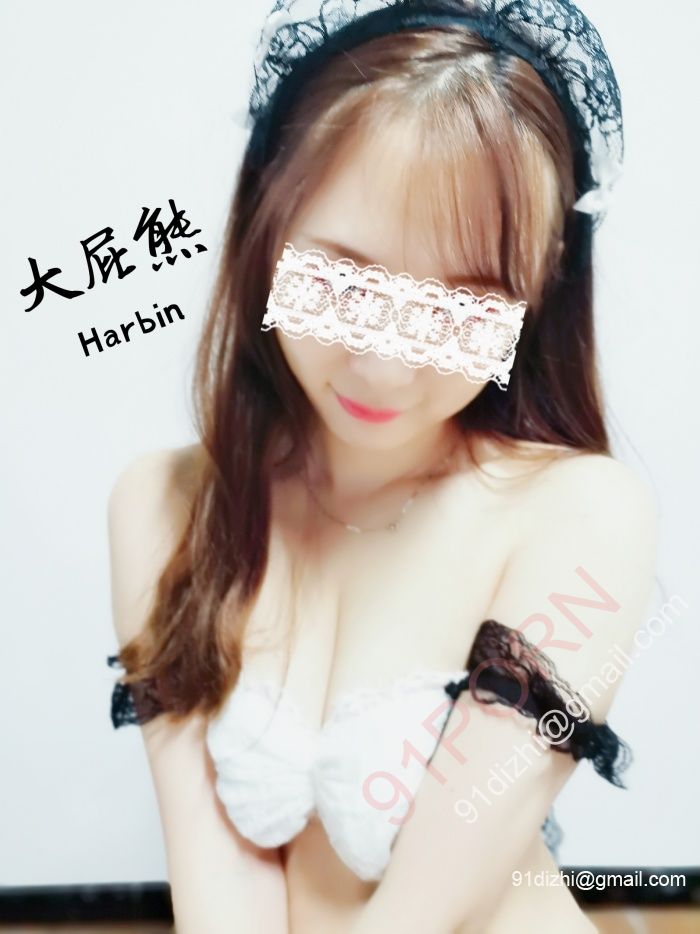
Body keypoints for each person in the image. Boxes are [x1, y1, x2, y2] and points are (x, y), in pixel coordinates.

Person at [106, 2, 658, 931]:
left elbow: (421, 913)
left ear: (539, 284)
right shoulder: (163, 507)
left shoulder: (581, 514)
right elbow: (217, 887)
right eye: (344, 277)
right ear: (267, 218)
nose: (387, 364)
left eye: (463, 304)